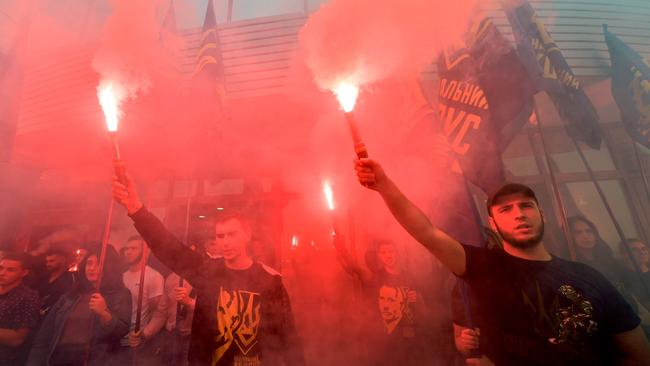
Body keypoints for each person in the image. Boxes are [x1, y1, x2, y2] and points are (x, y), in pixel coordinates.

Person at [354, 158, 650, 365]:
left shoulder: (589, 278)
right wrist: (385, 185)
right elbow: (426, 231)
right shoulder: (483, 267)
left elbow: (637, 354)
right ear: (493, 225)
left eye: (526, 206)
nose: (519, 214)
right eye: (506, 210)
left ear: (541, 215)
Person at [112, 174, 305, 366]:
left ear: (247, 235)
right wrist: (136, 209)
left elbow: (288, 338)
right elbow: (168, 246)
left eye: (232, 234)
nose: (225, 242)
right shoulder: (208, 272)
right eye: (220, 236)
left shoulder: (269, 282)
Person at [27, 245, 132, 365]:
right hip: (58, 358)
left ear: (110, 267)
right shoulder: (71, 295)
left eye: (99, 263)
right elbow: (45, 333)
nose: (91, 268)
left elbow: (121, 332)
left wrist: (105, 313)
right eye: (89, 263)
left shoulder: (120, 295)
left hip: (93, 360)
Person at [334, 236, 429, 365]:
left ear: (397, 253)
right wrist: (341, 249)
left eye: (391, 251)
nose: (388, 256)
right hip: (385, 342)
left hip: (409, 341)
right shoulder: (375, 278)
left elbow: (424, 312)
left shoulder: (409, 276)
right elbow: (354, 268)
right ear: (379, 256)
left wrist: (417, 299)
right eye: (383, 253)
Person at [117, 235, 165, 364]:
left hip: (139, 343)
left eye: (134, 248)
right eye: (126, 249)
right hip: (117, 340)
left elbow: (158, 312)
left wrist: (144, 334)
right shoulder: (121, 277)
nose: (128, 252)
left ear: (146, 252)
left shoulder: (153, 276)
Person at [0, 252, 40, 365]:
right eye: (1, 268)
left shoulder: (29, 297)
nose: (2, 273)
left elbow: (17, 339)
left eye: (10, 270)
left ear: (24, 272)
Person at [37, 247, 76, 317]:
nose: (48, 264)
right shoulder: (43, 278)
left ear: (63, 261)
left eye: (52, 261)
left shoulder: (70, 279)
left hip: (54, 317)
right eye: (47, 261)